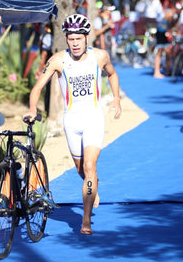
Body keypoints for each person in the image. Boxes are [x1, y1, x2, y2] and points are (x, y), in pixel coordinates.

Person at [23, 14, 122, 235]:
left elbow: (113, 74)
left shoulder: (100, 56)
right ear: (66, 39)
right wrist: (32, 109)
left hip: (94, 117)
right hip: (71, 120)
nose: (75, 43)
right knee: (82, 170)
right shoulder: (58, 60)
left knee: (89, 167)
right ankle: (93, 185)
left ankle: (85, 220)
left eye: (79, 38)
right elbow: (37, 88)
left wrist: (115, 98)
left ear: (86, 38)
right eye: (71, 39)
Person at [35, 22, 54, 115]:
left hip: (49, 66)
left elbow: (44, 54)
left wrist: (40, 68)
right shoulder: (48, 36)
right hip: (49, 66)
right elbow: (44, 54)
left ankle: (48, 110)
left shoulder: (47, 36)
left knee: (49, 89)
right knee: (49, 89)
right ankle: (48, 111)